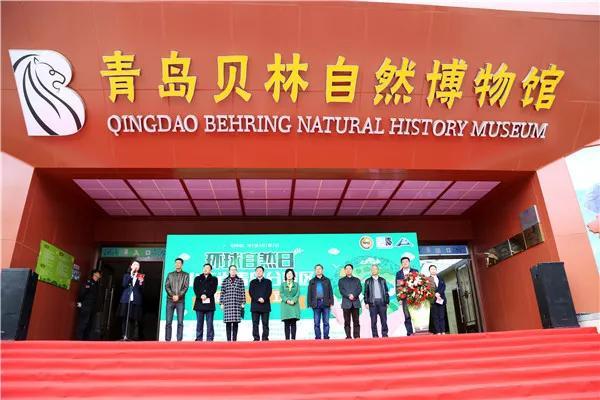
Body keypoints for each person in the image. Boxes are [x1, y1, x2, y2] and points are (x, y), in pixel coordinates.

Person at [164, 257, 189, 342]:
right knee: (168, 322)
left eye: (179, 263)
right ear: (175, 264)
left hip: (180, 301)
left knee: (180, 322)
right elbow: (166, 286)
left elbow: (185, 287)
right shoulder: (170, 274)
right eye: (176, 263)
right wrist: (172, 295)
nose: (177, 264)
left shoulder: (186, 275)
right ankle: (167, 340)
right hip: (170, 300)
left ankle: (179, 340)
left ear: (182, 264)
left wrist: (178, 296)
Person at [118, 260, 144, 340]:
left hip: (135, 300)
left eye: (138, 265)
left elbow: (142, 289)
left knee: (133, 318)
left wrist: (141, 282)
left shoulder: (140, 276)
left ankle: (131, 336)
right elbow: (124, 284)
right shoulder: (126, 275)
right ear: (131, 266)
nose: (136, 266)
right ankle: (124, 335)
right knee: (125, 318)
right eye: (135, 264)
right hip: (126, 299)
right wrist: (131, 275)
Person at [307, 264, 334, 340]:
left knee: (326, 322)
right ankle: (318, 338)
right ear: (315, 271)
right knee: (316, 323)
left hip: (326, 303)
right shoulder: (312, 281)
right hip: (316, 304)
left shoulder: (327, 280)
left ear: (322, 270)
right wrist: (309, 303)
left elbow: (330, 291)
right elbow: (309, 293)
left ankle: (326, 338)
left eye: (319, 269)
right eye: (316, 269)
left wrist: (331, 302)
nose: (318, 270)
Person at [220, 265, 246, 341]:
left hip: (237, 303)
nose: (233, 271)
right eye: (231, 270)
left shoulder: (240, 280)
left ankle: (234, 340)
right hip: (227, 303)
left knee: (235, 322)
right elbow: (222, 292)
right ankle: (228, 340)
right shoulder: (225, 280)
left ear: (236, 271)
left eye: (234, 270)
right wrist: (221, 303)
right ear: (229, 271)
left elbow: (242, 292)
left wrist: (243, 302)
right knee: (228, 323)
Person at [193, 263, 218, 341]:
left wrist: (206, 295)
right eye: (204, 268)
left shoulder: (214, 279)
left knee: (209, 323)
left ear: (210, 270)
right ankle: (199, 338)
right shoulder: (197, 278)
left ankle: (210, 339)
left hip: (209, 304)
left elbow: (213, 289)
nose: (205, 269)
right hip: (199, 303)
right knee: (199, 323)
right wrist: (201, 295)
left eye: (207, 268)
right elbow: (195, 289)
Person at [363, 264, 390, 338]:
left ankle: (385, 334)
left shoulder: (382, 280)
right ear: (371, 271)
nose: (374, 270)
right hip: (372, 303)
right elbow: (365, 293)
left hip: (382, 302)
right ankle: (375, 336)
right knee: (373, 321)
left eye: (375, 269)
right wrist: (366, 302)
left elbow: (386, 291)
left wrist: (387, 302)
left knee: (384, 320)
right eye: (373, 269)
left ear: (378, 270)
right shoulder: (368, 281)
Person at [75, 269, 102, 340]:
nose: (97, 277)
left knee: (90, 326)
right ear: (93, 275)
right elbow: (82, 293)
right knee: (82, 324)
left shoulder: (97, 285)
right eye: (96, 275)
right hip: (86, 307)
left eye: (98, 276)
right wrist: (80, 302)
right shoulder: (88, 283)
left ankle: (85, 341)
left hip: (93, 309)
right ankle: (78, 341)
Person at [395, 256, 419, 336]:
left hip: (414, 296)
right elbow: (398, 286)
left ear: (409, 262)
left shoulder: (415, 271)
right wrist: (399, 298)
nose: (405, 263)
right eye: (403, 262)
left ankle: (418, 331)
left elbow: (420, 283)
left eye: (406, 261)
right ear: (401, 264)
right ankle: (410, 333)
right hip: (404, 297)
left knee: (416, 315)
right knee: (407, 315)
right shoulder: (399, 273)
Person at [338, 263, 362, 339]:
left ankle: (357, 336)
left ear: (352, 270)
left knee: (356, 321)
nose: (348, 270)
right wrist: (348, 295)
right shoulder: (341, 280)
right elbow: (341, 291)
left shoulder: (357, 280)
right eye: (347, 269)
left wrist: (354, 295)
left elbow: (359, 289)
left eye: (350, 269)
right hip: (346, 303)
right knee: (347, 321)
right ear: (345, 270)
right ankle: (348, 336)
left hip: (355, 303)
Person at [249, 266, 272, 341]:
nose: (259, 272)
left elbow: (269, 291)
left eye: (260, 271)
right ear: (255, 272)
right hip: (255, 305)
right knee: (255, 323)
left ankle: (265, 338)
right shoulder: (252, 282)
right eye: (257, 271)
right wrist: (258, 299)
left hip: (265, 305)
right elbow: (251, 292)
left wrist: (263, 298)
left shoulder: (268, 281)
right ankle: (256, 338)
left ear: (263, 272)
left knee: (265, 323)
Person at [280, 268, 300, 340]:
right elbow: (281, 294)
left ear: (293, 275)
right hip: (285, 305)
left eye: (291, 274)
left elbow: (298, 294)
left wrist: (293, 301)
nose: (289, 275)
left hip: (294, 305)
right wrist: (287, 300)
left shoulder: (296, 284)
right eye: (287, 274)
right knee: (286, 323)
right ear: (285, 275)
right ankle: (287, 340)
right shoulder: (282, 284)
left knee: (293, 323)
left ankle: (293, 339)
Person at [429, 265, 447, 335]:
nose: (433, 270)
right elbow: (428, 289)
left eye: (434, 269)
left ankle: (443, 331)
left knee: (442, 316)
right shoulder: (428, 279)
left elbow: (443, 287)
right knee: (435, 317)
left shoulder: (441, 278)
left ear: (436, 270)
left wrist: (439, 293)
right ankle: (438, 331)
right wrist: (435, 294)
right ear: (429, 271)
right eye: (431, 269)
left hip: (441, 299)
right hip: (433, 300)